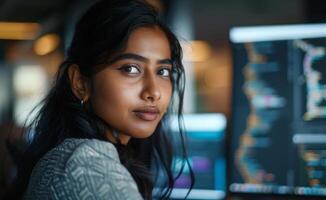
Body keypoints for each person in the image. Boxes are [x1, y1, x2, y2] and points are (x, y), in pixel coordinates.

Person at [5, 0, 194, 199]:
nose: (153, 92)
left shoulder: (76, 155)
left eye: (163, 71)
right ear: (80, 83)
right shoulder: (86, 166)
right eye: (130, 69)